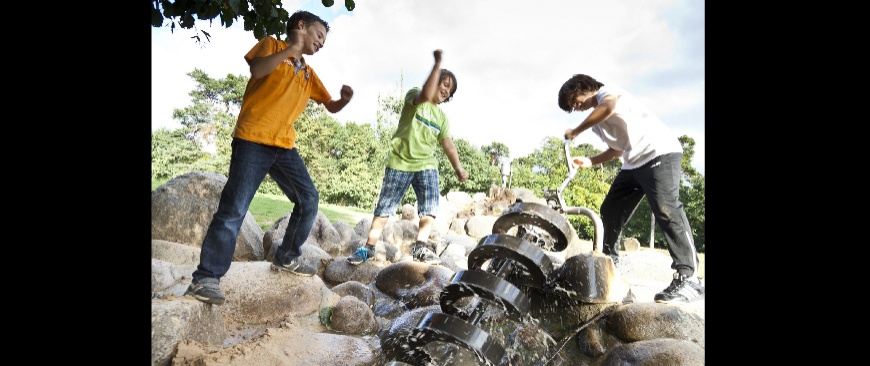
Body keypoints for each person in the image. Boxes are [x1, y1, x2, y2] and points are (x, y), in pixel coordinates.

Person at [185, 10, 354, 306]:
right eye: (319, 36)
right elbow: (258, 70)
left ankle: (286, 256)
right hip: (252, 139)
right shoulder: (273, 46)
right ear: (300, 26)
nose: (322, 44)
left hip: (284, 147)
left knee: (308, 200)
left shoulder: (308, 73)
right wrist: (292, 49)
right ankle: (205, 279)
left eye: (324, 41)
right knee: (234, 210)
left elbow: (331, 106)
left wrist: (344, 100)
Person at [558, 74, 703, 304]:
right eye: (572, 108)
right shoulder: (599, 126)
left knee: (666, 208)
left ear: (585, 87)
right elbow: (616, 150)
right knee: (610, 210)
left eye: (574, 100)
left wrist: (576, 130)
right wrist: (590, 161)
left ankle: (690, 277)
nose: (576, 107)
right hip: (633, 163)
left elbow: (608, 107)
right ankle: (609, 271)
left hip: (659, 152)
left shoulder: (607, 92)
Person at [346, 49, 467, 266]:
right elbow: (424, 95)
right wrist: (437, 65)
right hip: (400, 162)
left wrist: (458, 167)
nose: (447, 91)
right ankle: (369, 248)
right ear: (435, 80)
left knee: (430, 206)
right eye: (445, 85)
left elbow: (448, 144)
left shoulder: (442, 117)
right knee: (385, 208)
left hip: (426, 164)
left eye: (450, 90)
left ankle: (420, 247)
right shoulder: (414, 95)